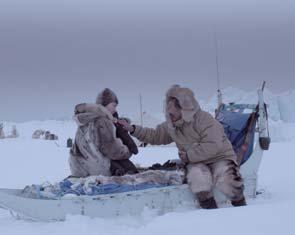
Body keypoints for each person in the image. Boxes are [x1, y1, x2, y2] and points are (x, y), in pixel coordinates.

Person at [119, 85, 246, 209]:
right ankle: (210, 212)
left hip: (220, 157)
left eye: (172, 114)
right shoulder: (172, 125)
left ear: (183, 110)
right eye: (168, 113)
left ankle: (241, 208)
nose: (169, 116)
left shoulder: (204, 120)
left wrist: (189, 155)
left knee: (227, 181)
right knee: (198, 179)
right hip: (196, 162)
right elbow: (155, 135)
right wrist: (133, 129)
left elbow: (214, 145)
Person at [69, 88, 137, 177]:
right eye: (114, 105)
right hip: (97, 171)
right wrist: (129, 150)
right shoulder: (103, 121)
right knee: (129, 168)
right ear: (106, 104)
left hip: (78, 168)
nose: (115, 110)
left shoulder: (85, 119)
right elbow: (113, 151)